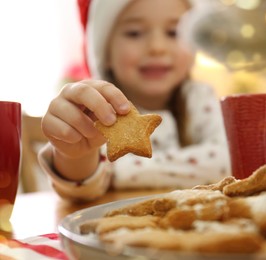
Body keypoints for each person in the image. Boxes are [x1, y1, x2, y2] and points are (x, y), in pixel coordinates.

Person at [38, 0, 231, 201]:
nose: (157, 47)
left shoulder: (200, 98)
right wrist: (75, 156)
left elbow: (225, 160)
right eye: (134, 33)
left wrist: (115, 172)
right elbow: (83, 187)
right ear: (105, 52)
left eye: (173, 32)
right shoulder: (94, 109)